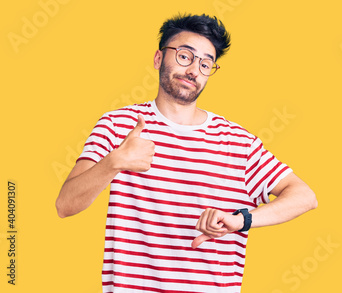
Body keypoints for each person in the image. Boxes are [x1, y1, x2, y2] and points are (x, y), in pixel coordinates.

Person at [56, 13, 317, 293]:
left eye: (206, 64)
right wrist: (115, 161)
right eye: (184, 56)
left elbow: (304, 196)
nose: (194, 69)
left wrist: (242, 220)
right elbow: (65, 205)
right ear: (159, 59)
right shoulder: (119, 125)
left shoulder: (237, 142)